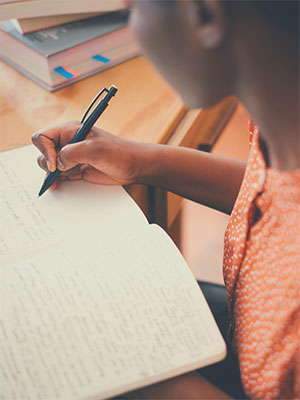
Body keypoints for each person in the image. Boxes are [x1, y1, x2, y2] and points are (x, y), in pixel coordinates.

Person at [32, 1, 299, 399]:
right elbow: (275, 195)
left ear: (206, 16)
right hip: (247, 319)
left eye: (134, 5)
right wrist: (142, 161)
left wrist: (135, 369)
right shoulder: (282, 113)